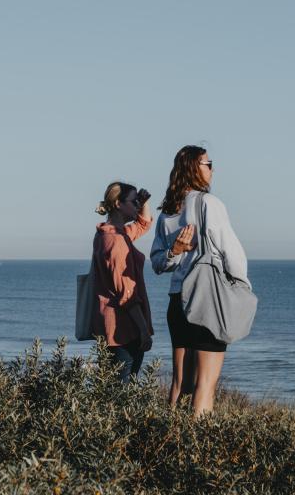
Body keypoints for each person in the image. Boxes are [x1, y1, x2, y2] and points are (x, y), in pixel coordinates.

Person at [151, 145, 250, 416]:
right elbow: (231, 250)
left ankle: (170, 440)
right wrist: (242, 287)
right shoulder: (209, 203)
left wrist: (175, 252)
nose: (212, 169)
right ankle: (196, 451)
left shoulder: (168, 212)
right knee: (205, 385)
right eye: (208, 163)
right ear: (195, 168)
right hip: (205, 298)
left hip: (177, 301)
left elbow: (158, 262)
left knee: (181, 384)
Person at [93, 182, 154, 383]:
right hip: (124, 330)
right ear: (119, 204)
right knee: (122, 392)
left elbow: (143, 223)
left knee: (114, 387)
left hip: (111, 326)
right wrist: (143, 330)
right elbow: (126, 294)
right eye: (133, 201)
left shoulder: (109, 234)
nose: (137, 204)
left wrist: (142, 203)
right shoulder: (117, 241)